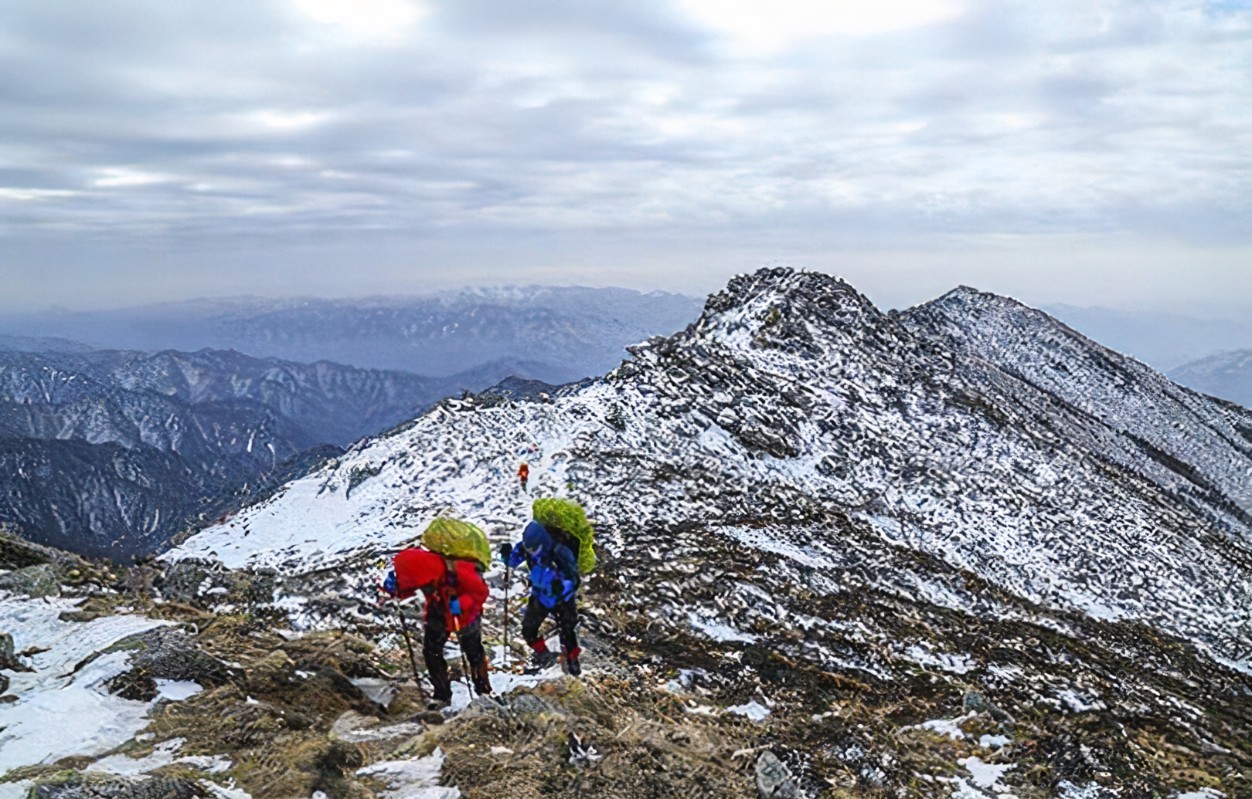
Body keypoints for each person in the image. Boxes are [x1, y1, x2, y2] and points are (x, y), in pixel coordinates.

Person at [381, 547, 492, 704]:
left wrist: (461, 604)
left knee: (473, 650)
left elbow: (481, 592)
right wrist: (394, 587)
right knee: (431, 651)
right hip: (438, 611)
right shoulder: (423, 570)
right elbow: (408, 586)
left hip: (466, 615)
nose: (424, 588)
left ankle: (484, 690)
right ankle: (442, 694)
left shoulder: (460, 570)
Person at [501, 520, 582, 675]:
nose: (531, 552)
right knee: (528, 630)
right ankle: (544, 656)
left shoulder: (560, 551)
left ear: (542, 542)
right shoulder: (527, 546)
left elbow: (574, 579)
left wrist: (562, 586)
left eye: (534, 549)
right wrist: (506, 556)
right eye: (528, 548)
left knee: (567, 632)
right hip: (540, 596)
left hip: (563, 598)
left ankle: (573, 663)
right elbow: (512, 561)